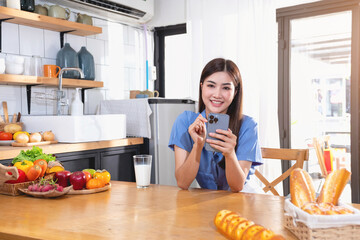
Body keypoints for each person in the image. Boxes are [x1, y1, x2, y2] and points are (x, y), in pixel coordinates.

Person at [168, 58, 262, 192]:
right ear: (202, 86)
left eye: (226, 88)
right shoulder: (185, 122)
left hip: (243, 197)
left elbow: (237, 187)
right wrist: (198, 146)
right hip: (208, 201)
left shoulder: (248, 126)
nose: (217, 95)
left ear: (235, 92)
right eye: (211, 85)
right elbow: (183, 183)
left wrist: (230, 154)